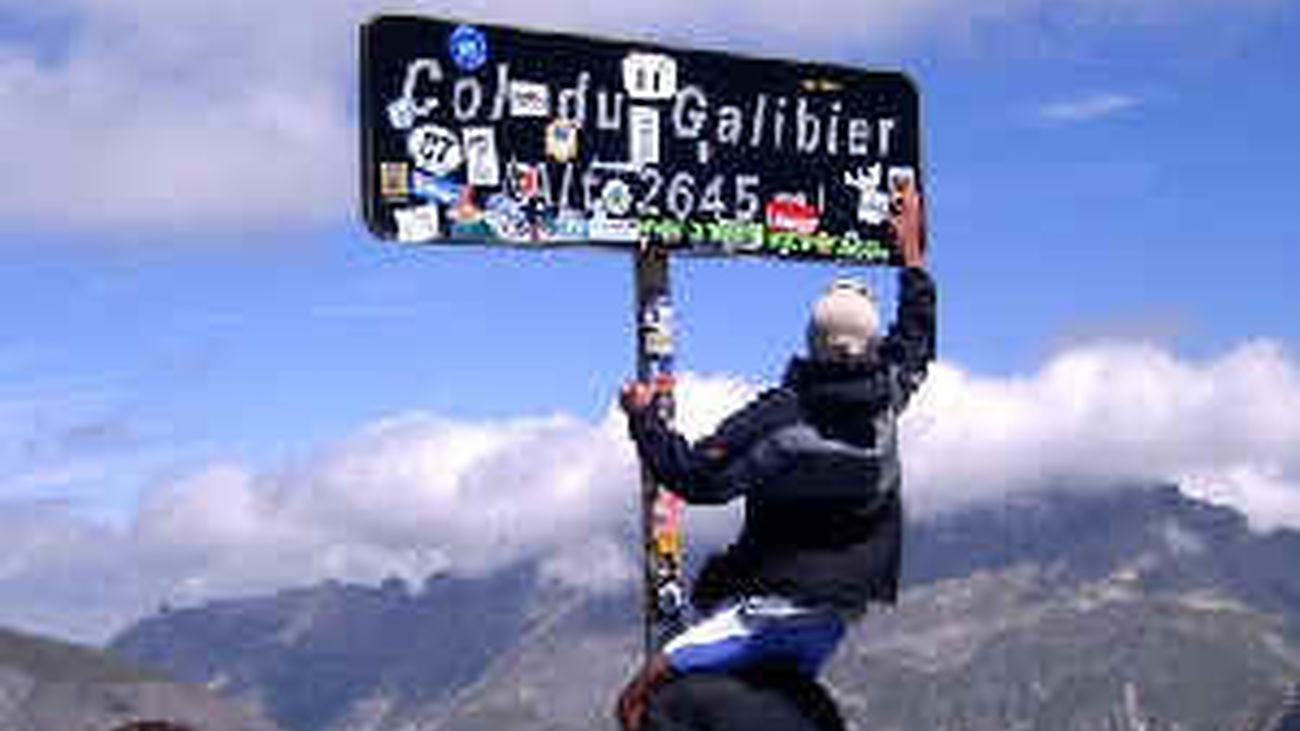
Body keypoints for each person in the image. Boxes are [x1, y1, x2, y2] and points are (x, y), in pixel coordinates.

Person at [616, 183, 934, 731]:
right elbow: (917, 341)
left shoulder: (780, 423)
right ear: (872, 344)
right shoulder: (887, 400)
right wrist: (912, 258)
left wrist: (643, 418)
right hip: (834, 618)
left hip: (763, 614)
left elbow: (695, 478)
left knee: (640, 701)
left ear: (811, 340)